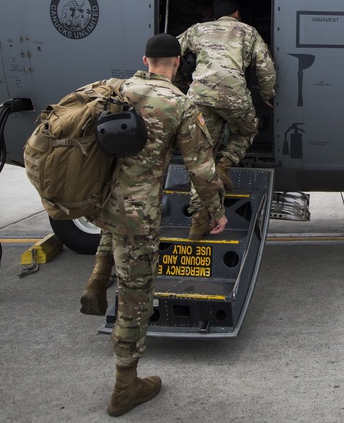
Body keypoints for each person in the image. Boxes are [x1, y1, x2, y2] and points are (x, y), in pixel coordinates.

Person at [90, 33, 226, 417]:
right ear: (178, 63)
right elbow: (201, 168)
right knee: (135, 299)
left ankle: (97, 275)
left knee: (112, 233)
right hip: (138, 215)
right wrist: (215, 211)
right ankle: (125, 386)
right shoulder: (180, 105)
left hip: (100, 205)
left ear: (144, 59)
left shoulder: (115, 89)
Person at [177, 0, 277, 189]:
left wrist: (180, 83)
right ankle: (224, 164)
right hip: (234, 96)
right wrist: (267, 94)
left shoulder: (197, 29)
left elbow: (170, 50)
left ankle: (202, 204)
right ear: (236, 14)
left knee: (205, 144)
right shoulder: (248, 31)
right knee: (247, 131)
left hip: (200, 96)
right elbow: (265, 67)